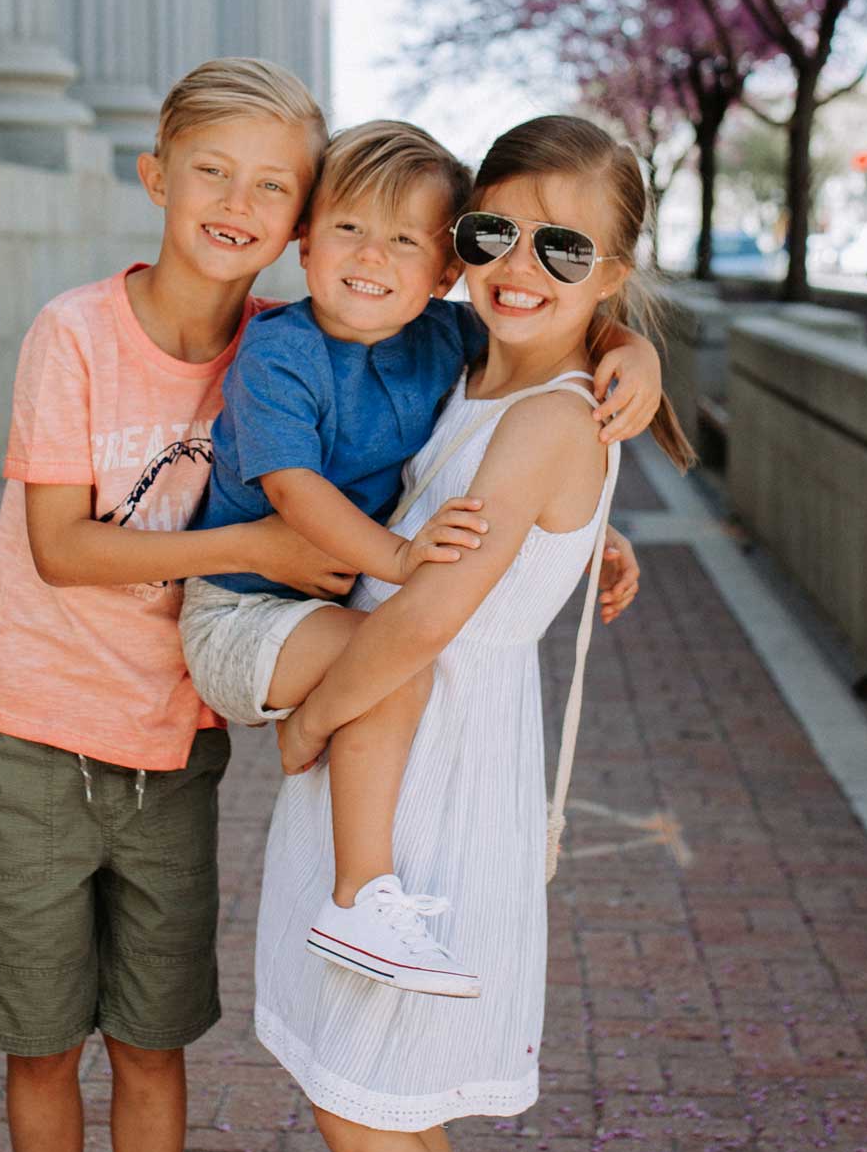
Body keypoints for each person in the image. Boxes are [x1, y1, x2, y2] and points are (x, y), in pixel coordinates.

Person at [255, 116, 694, 1152]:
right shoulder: (466, 367)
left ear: (612, 269)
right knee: (365, 1093)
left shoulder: (554, 415)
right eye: (496, 229)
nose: (521, 263)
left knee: (376, 1102)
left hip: (425, 766)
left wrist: (310, 723)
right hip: (396, 741)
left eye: (566, 246)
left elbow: (435, 613)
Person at [0, 58, 354, 1152]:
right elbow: (64, 546)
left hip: (174, 748)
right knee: (39, 1035)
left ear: (301, 215)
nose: (238, 201)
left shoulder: (292, 353)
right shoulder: (74, 332)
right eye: (213, 170)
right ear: (157, 175)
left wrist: (621, 368)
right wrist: (252, 541)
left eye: (272, 184)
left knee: (152, 1038)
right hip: (34, 735)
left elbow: (463, 367)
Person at [180, 120, 660, 1002]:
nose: (373, 257)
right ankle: (361, 895)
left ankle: (359, 891)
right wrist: (399, 558)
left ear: (440, 271)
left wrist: (636, 351)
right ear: (304, 240)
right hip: (241, 611)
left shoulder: (438, 336)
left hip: (336, 632)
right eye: (349, 228)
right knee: (395, 664)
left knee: (392, 659)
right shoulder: (280, 350)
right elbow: (294, 491)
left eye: (407, 240)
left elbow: (551, 349)